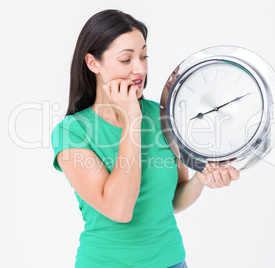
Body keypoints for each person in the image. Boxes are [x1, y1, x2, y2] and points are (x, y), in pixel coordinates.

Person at [51, 9, 240, 268]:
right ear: (93, 63)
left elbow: (173, 200)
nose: (139, 68)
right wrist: (132, 119)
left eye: (143, 56)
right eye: (126, 59)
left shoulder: (164, 116)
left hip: (171, 261)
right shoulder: (72, 132)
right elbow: (119, 210)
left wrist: (200, 180)